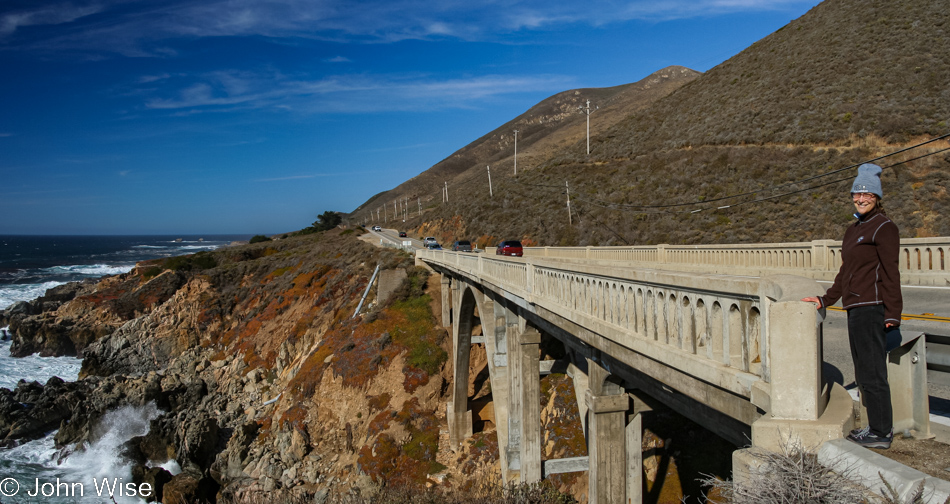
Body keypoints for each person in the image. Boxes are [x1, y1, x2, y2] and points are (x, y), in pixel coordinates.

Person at [802, 163, 902, 449]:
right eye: (856, 194)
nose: (861, 198)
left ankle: (882, 433)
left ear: (877, 197)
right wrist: (826, 299)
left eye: (867, 194)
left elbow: (891, 272)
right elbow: (846, 272)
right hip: (855, 308)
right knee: (863, 372)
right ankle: (874, 428)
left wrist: (893, 313)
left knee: (873, 373)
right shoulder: (853, 229)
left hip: (873, 307)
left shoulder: (884, 228)